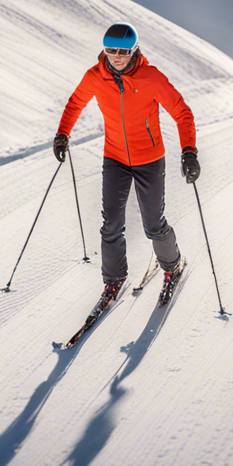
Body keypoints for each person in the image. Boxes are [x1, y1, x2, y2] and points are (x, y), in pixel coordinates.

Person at [54, 22, 200, 310]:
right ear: (104, 49)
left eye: (123, 51)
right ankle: (113, 279)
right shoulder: (95, 76)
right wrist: (62, 134)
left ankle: (172, 266)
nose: (117, 56)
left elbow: (182, 113)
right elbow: (75, 104)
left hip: (149, 159)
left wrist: (189, 152)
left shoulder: (151, 77)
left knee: (154, 226)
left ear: (134, 50)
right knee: (110, 225)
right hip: (115, 158)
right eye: (111, 50)